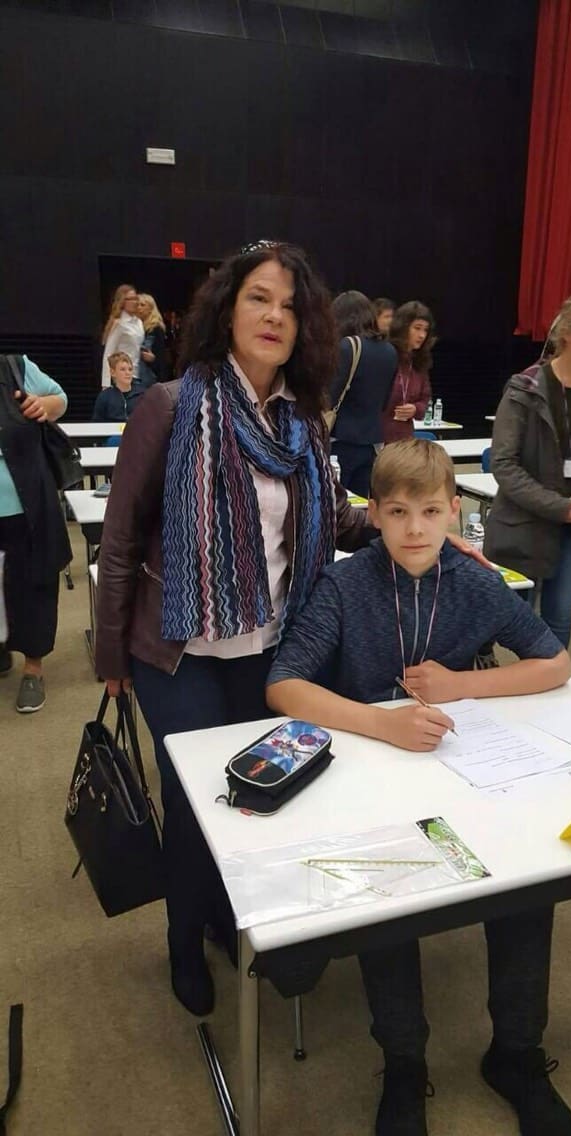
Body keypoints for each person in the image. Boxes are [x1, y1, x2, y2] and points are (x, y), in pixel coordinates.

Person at [94, 240, 378, 1017]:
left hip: (270, 651)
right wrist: (111, 656)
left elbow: (335, 518)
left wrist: (411, 530)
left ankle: (224, 913)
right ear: (228, 311)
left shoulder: (302, 422)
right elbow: (119, 543)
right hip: (177, 652)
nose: (274, 315)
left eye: (289, 306)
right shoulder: (168, 406)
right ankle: (183, 939)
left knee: (255, 800)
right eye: (259, 298)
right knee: (195, 811)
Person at [267, 439, 571, 1136]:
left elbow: (554, 663)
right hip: (375, 772)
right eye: (399, 512)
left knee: (530, 877)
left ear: (454, 512)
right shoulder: (345, 585)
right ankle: (404, 1061)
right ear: (374, 513)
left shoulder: (474, 581)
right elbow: (284, 685)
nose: (415, 528)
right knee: (387, 891)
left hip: (464, 765)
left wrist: (463, 684)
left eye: (431, 511)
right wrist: (382, 724)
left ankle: (516, 1053)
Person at [484, 286, 571, 647]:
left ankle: (550, 677)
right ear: (568, 331)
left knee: (559, 620)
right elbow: (504, 465)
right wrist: (560, 507)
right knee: (508, 621)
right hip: (524, 525)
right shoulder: (525, 388)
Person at [0, 354, 72, 713]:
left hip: (27, 504)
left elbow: (61, 399)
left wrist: (44, 405)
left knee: (33, 584)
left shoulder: (15, 366)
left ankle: (33, 668)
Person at [329, 291, 397, 497]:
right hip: (372, 440)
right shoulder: (390, 351)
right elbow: (385, 401)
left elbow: (329, 397)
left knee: (334, 501)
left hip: (341, 439)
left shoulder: (347, 346)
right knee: (359, 503)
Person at [383, 301, 436, 443]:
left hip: (405, 438)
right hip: (378, 436)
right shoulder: (385, 356)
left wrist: (415, 409)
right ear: (402, 327)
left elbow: (425, 399)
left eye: (425, 330)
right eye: (417, 328)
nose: (422, 335)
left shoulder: (419, 362)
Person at [101, 284, 144, 388]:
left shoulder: (139, 322)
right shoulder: (119, 324)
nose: (135, 302)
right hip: (122, 377)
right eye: (130, 299)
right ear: (123, 301)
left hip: (138, 375)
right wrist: (106, 384)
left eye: (135, 298)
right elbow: (108, 353)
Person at [92, 352, 145, 422]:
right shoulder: (104, 397)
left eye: (130, 369)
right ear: (113, 372)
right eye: (123, 369)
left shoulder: (142, 394)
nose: (128, 373)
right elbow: (97, 423)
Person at [137, 293, 168, 386]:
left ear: (150, 308)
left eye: (142, 305)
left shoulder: (155, 328)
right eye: (137, 305)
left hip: (150, 377)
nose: (139, 308)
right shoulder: (137, 327)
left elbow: (161, 357)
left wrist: (153, 360)